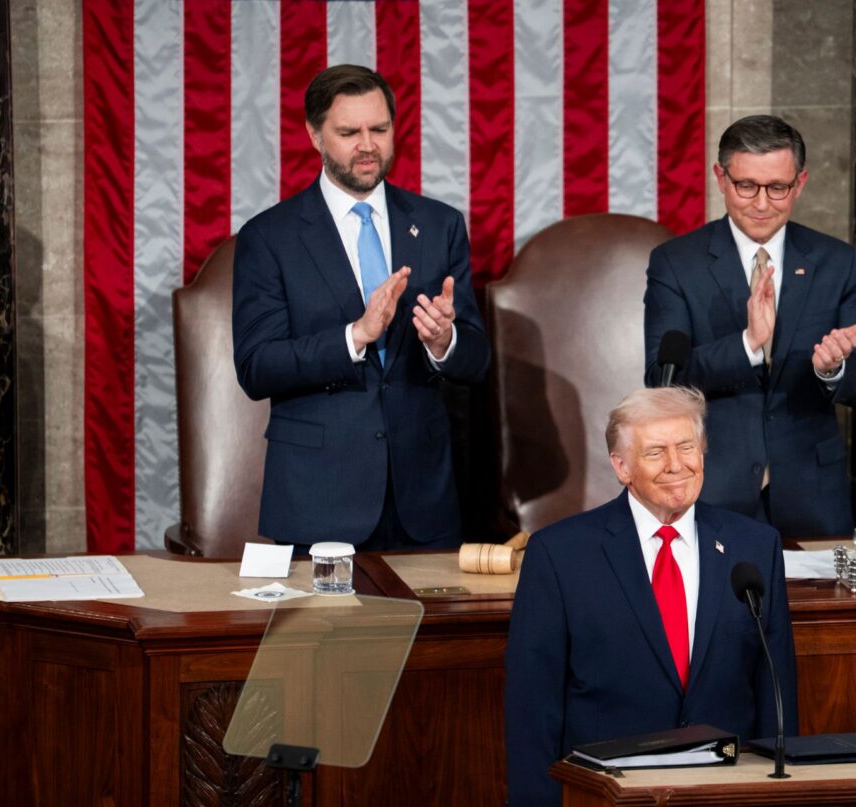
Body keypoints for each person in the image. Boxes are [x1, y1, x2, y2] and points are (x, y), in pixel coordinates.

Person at [232, 65, 490, 550]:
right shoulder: (270, 238)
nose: (367, 145)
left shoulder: (439, 225)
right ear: (315, 135)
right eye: (349, 132)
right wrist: (355, 335)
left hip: (424, 500)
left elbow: (476, 360)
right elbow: (256, 367)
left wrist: (443, 342)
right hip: (319, 503)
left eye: (379, 129)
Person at [505, 387, 797, 807]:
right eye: (656, 453)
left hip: (728, 793)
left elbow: (776, 693)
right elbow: (532, 711)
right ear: (621, 466)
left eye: (686, 447)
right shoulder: (560, 554)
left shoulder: (754, 546)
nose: (676, 465)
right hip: (608, 794)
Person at [644, 115, 856, 538]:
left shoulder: (836, 262)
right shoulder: (677, 264)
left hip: (814, 495)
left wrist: (834, 368)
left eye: (778, 188)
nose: (761, 203)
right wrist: (748, 343)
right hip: (715, 488)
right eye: (746, 186)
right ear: (721, 177)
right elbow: (664, 382)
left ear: (800, 183)